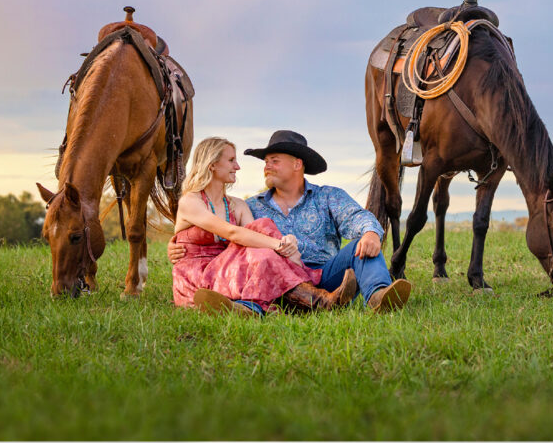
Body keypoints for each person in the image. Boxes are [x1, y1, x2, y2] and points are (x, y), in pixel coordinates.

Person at [168, 129, 410, 314]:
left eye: (274, 160)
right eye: (265, 162)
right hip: (278, 282)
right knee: (262, 255)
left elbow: (357, 217)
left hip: (323, 275)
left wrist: (370, 232)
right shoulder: (253, 205)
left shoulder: (328, 196)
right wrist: (178, 243)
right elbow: (233, 243)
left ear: (297, 164)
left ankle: (378, 296)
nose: (266, 167)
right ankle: (251, 307)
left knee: (361, 244)